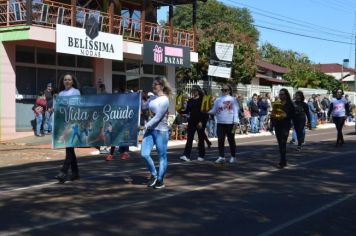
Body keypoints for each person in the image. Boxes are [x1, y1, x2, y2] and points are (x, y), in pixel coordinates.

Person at [140, 77, 171, 189]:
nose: (153, 86)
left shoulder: (165, 100)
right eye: (153, 84)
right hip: (150, 130)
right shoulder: (152, 98)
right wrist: (138, 98)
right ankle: (154, 174)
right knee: (144, 153)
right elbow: (143, 107)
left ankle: (160, 180)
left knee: (162, 156)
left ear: (161, 86)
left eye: (156, 84)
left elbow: (158, 117)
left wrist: (145, 126)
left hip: (161, 131)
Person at [54, 73, 81, 183]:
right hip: (63, 124)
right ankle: (75, 173)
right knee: (70, 149)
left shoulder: (76, 92)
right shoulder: (61, 93)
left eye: (69, 79)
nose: (67, 81)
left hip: (73, 123)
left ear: (72, 81)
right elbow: (59, 109)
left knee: (69, 148)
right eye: (65, 79)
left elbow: (78, 106)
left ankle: (63, 172)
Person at [208, 84, 239, 164]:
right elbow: (214, 110)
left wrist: (236, 122)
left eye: (225, 90)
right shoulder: (218, 100)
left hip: (231, 123)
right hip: (220, 123)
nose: (224, 91)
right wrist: (206, 111)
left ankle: (233, 156)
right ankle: (221, 156)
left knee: (231, 140)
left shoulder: (233, 99)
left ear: (229, 91)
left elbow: (236, 111)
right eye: (222, 90)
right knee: (220, 140)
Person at [179, 85, 209, 162]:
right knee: (189, 139)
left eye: (194, 90)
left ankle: (201, 156)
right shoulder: (190, 100)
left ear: (198, 91)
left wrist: (202, 121)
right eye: (192, 90)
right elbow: (187, 111)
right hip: (192, 121)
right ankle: (186, 155)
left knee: (201, 139)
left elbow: (205, 112)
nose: (193, 91)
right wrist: (180, 111)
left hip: (200, 121)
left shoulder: (203, 99)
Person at [271, 89, 295, 168]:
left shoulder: (289, 104)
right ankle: (283, 159)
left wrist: (286, 115)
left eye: (282, 94)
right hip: (277, 125)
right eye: (280, 94)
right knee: (280, 143)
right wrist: (271, 125)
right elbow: (273, 114)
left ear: (286, 95)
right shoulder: (277, 103)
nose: (281, 96)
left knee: (283, 142)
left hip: (285, 125)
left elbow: (292, 114)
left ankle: (282, 161)